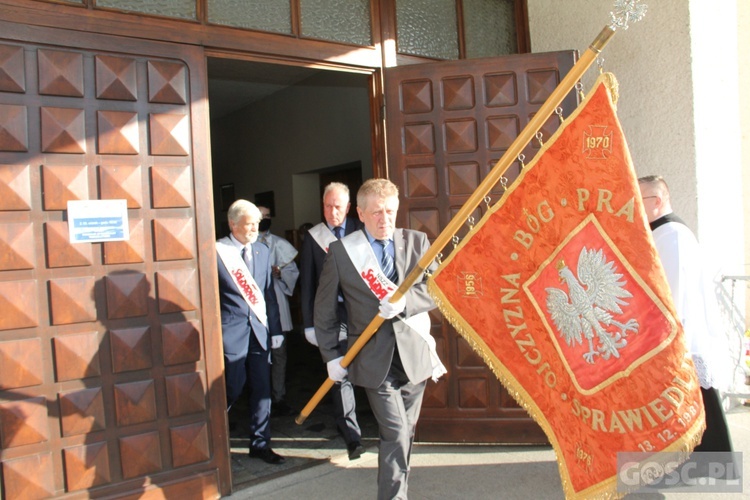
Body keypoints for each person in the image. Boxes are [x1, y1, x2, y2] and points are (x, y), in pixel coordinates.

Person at [314, 178, 446, 499]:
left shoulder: (417, 241)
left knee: (405, 434)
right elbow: (324, 308)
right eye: (375, 212)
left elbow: (439, 288)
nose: (383, 219)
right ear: (359, 213)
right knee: (396, 431)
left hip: (414, 354)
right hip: (373, 359)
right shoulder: (343, 252)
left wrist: (406, 302)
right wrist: (331, 354)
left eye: (389, 211)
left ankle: (397, 489)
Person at [638, 175, 733, 455]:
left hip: (680, 333)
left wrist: (663, 335)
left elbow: (671, 287)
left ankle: (706, 458)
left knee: (693, 401)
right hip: (674, 331)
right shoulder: (663, 231)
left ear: (656, 200)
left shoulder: (672, 234)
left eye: (638, 198)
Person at [216, 199, 286, 465]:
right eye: (250, 223)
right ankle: (216, 441)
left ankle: (260, 443)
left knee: (262, 389)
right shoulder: (218, 252)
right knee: (231, 387)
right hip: (230, 333)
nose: (256, 228)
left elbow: (267, 294)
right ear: (233, 224)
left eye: (258, 222)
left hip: (259, 331)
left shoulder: (262, 251)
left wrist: (276, 329)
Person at [300, 182, 365, 460]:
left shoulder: (361, 231)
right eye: (327, 206)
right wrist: (308, 324)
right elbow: (307, 283)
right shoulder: (314, 237)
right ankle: (351, 434)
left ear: (349, 208)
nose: (332, 211)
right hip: (333, 315)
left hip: (362, 313)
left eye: (337, 206)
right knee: (339, 372)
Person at [257, 205, 300, 417]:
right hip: (255, 301)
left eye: (267, 216)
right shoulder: (244, 244)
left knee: (279, 354)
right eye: (260, 216)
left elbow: (293, 272)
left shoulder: (280, 244)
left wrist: (280, 272)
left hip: (276, 298)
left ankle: (279, 396)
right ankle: (259, 397)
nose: (264, 219)